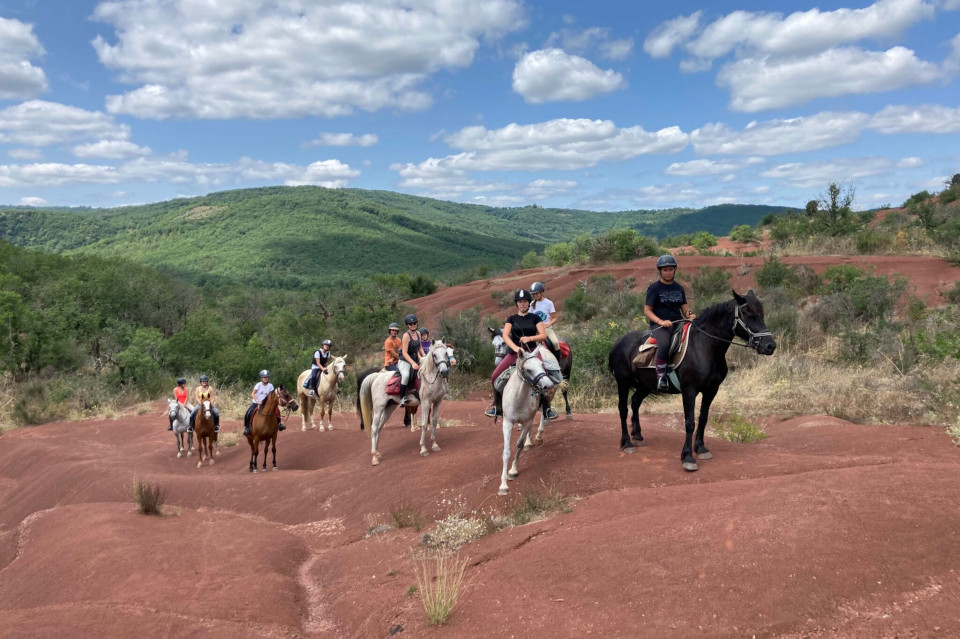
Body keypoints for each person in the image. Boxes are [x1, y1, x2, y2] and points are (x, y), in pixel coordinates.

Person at [485, 289, 546, 418]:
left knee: (545, 375)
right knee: (494, 376)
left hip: (532, 352)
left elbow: (543, 335)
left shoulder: (535, 317)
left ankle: (546, 408)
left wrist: (530, 338)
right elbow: (505, 336)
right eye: (520, 302)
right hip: (514, 353)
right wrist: (515, 347)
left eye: (525, 301)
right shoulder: (511, 319)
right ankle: (498, 406)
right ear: (516, 304)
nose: (522, 304)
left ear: (529, 303)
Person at [644, 255, 696, 392]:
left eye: (670, 269)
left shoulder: (679, 288)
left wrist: (690, 315)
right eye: (665, 270)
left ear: (675, 270)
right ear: (660, 271)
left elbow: (684, 306)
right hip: (660, 324)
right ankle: (661, 377)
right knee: (665, 344)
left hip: (678, 321)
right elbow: (647, 310)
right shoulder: (654, 288)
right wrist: (660, 321)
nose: (668, 272)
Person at [530, 281, 561, 420]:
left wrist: (547, 324)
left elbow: (555, 318)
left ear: (542, 292)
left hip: (547, 329)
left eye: (537, 293)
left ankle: (557, 364)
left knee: (555, 343)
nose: (535, 295)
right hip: (535, 330)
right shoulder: (531, 305)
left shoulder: (549, 303)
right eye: (533, 294)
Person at [243, 369, 284, 436]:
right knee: (248, 412)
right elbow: (252, 394)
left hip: (267, 404)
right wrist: (257, 401)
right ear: (261, 378)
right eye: (264, 377)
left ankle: (280, 424)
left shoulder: (270, 386)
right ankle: (246, 427)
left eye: (267, 377)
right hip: (256, 403)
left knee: (277, 411)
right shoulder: (258, 385)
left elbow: (272, 395)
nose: (265, 378)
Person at [397, 314, 425, 406]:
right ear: (407, 325)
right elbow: (404, 353)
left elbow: (419, 347)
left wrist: (424, 357)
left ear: (417, 323)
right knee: (406, 375)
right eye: (410, 324)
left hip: (415, 358)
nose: (413, 325)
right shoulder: (406, 335)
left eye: (414, 323)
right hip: (405, 360)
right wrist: (413, 363)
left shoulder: (418, 334)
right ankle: (401, 399)